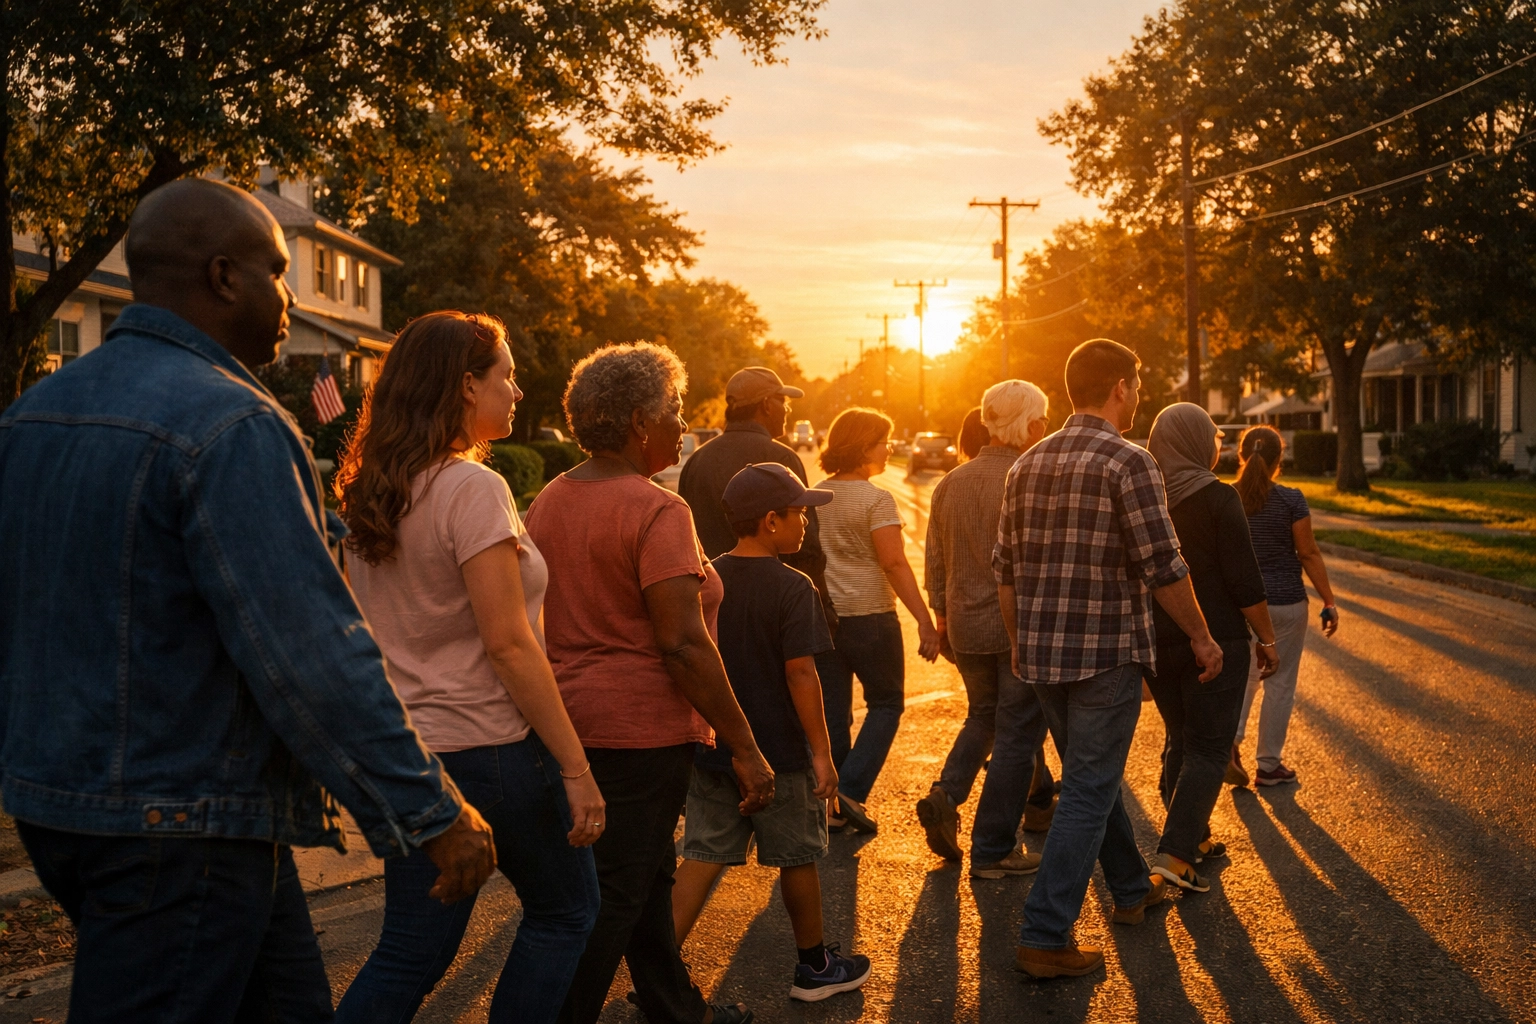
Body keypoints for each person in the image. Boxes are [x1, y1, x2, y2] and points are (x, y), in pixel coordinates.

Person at [0, 178, 494, 1022]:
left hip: (62, 801)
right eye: (278, 271)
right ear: (224, 277)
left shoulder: (35, 414)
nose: (291, 297)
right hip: (180, 822)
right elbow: (310, 650)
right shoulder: (233, 424)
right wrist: (425, 808)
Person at [333, 312, 602, 1023]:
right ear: (464, 385)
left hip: (413, 760)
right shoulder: (472, 489)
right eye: (505, 376)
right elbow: (509, 643)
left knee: (408, 953)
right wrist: (575, 768)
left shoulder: (372, 491)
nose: (516, 391)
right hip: (494, 752)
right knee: (566, 911)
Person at [525, 342, 773, 1024]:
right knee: (615, 895)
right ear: (639, 422)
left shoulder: (550, 500)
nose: (682, 426)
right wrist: (744, 744)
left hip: (570, 722)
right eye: (673, 413)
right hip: (639, 733)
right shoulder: (657, 510)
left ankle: (674, 1008)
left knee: (642, 877)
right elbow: (684, 642)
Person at [997, 338, 1225, 980]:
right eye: (1138, 383)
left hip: (1041, 654)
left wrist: (1019, 643)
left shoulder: (1027, 464)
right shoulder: (1130, 462)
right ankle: (1044, 934)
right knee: (1090, 789)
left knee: (1090, 782)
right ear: (1120, 387)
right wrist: (1204, 639)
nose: (1139, 393)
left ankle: (1130, 889)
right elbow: (1163, 565)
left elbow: (1006, 572)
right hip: (1103, 654)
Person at [670, 464, 872, 1003]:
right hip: (780, 753)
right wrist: (823, 754)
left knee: (704, 854)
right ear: (770, 521)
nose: (805, 523)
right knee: (798, 856)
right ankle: (814, 967)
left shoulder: (704, 577)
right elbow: (801, 674)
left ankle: (658, 972)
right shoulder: (793, 586)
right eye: (798, 513)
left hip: (716, 750)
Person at [916, 381, 1058, 875]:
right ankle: (994, 847)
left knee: (984, 716)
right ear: (1028, 424)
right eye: (1041, 419)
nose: (1045, 427)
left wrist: (941, 615)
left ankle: (947, 793)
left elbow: (934, 557)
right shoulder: (1030, 478)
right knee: (1019, 734)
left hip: (966, 624)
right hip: (1016, 626)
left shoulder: (951, 482)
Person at [1144, 404, 1280, 894]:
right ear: (1198, 442)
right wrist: (1266, 639)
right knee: (1209, 746)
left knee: (1180, 737)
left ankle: (1193, 837)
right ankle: (1176, 854)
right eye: (1213, 436)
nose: (1218, 445)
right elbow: (1245, 580)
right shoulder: (1219, 499)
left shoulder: (1146, 498)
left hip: (1158, 641)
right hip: (1215, 639)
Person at [814, 408, 941, 835]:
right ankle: (850, 792)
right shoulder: (875, 499)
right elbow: (893, 562)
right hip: (871, 619)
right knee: (886, 704)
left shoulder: (814, 496)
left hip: (826, 620)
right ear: (864, 446)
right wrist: (924, 620)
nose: (888, 449)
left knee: (834, 714)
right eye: (882, 442)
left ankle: (831, 807)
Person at [678, 366, 834, 628]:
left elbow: (684, 540)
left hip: (712, 609)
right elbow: (807, 549)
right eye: (783, 401)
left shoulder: (697, 461)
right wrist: (823, 611)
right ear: (766, 405)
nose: (787, 410)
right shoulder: (782, 459)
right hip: (775, 609)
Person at [1228, 425, 1340, 787]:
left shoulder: (1227, 498)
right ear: (1280, 459)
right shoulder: (1292, 500)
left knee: (1244, 679)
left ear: (1241, 456)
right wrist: (1329, 600)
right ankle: (1269, 765)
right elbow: (1307, 552)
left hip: (1241, 606)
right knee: (1280, 684)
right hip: (1286, 604)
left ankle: (1230, 743)